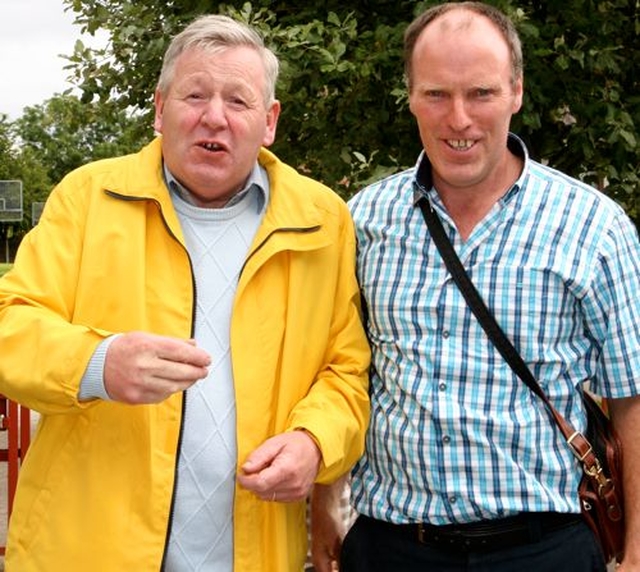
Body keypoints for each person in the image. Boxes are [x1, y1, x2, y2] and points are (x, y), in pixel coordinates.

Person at [0, 14, 370, 572]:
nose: (213, 117)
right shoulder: (87, 198)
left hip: (254, 556)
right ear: (159, 108)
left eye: (238, 102)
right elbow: (11, 325)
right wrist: (97, 363)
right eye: (194, 95)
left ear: (269, 121)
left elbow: (346, 373)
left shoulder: (323, 222)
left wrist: (315, 442)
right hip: (87, 552)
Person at [310, 2, 640, 572]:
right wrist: (322, 514)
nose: (458, 118)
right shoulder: (361, 222)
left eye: (480, 93)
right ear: (410, 96)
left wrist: (637, 552)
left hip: (545, 550)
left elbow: (633, 398)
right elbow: (337, 375)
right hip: (389, 548)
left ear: (516, 92)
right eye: (436, 94)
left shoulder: (595, 228)